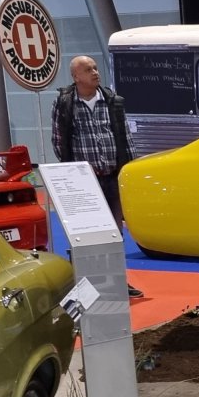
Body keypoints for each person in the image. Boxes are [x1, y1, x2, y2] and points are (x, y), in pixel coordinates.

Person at [51, 55, 143, 298]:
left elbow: (125, 138)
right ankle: (89, 284)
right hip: (84, 184)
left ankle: (117, 281)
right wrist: (75, 172)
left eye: (95, 68)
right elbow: (58, 141)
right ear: (76, 76)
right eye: (88, 69)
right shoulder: (65, 104)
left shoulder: (112, 101)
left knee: (115, 233)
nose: (95, 72)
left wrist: (128, 172)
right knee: (87, 234)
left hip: (113, 177)